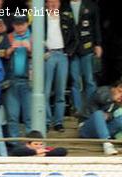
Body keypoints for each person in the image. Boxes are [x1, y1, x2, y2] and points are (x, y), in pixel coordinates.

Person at [79, 79, 122, 156]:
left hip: (103, 129)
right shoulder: (103, 90)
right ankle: (107, 144)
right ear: (113, 88)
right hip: (87, 128)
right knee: (98, 114)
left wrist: (109, 116)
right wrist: (112, 98)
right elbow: (101, 98)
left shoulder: (117, 102)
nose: (121, 95)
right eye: (119, 91)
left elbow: (113, 115)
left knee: (121, 117)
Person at [44, 0, 75, 132]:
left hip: (62, 55)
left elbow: (75, 36)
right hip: (48, 55)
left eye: (55, 1)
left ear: (59, 3)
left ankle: (58, 122)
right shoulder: (41, 16)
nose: (53, 4)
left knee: (60, 91)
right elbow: (34, 35)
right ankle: (45, 121)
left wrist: (68, 53)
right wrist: (43, 52)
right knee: (45, 91)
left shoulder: (66, 17)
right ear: (46, 3)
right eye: (50, 2)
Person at [68, 0, 102, 117]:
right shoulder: (65, 6)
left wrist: (98, 44)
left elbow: (96, 25)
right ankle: (77, 109)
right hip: (72, 49)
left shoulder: (90, 5)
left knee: (89, 80)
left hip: (87, 47)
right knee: (75, 80)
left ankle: (91, 108)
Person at [4, 15, 32, 139]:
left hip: (28, 82)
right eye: (16, 24)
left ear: (27, 24)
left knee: (29, 116)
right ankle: (14, 144)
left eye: (22, 24)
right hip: (12, 81)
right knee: (12, 116)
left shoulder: (34, 37)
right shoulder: (9, 37)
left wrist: (30, 49)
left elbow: (45, 56)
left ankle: (32, 144)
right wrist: (9, 50)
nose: (19, 27)